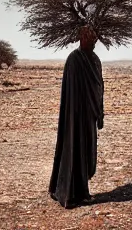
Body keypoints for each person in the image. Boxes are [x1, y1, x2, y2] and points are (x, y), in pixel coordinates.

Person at [49, 25, 104, 208]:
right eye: (90, 39)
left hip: (89, 116)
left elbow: (99, 87)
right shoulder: (74, 59)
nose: (93, 44)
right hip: (75, 116)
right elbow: (71, 92)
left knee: (87, 151)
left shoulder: (95, 60)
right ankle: (68, 192)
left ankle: (82, 191)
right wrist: (74, 116)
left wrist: (99, 112)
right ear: (82, 38)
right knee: (74, 150)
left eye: (94, 40)